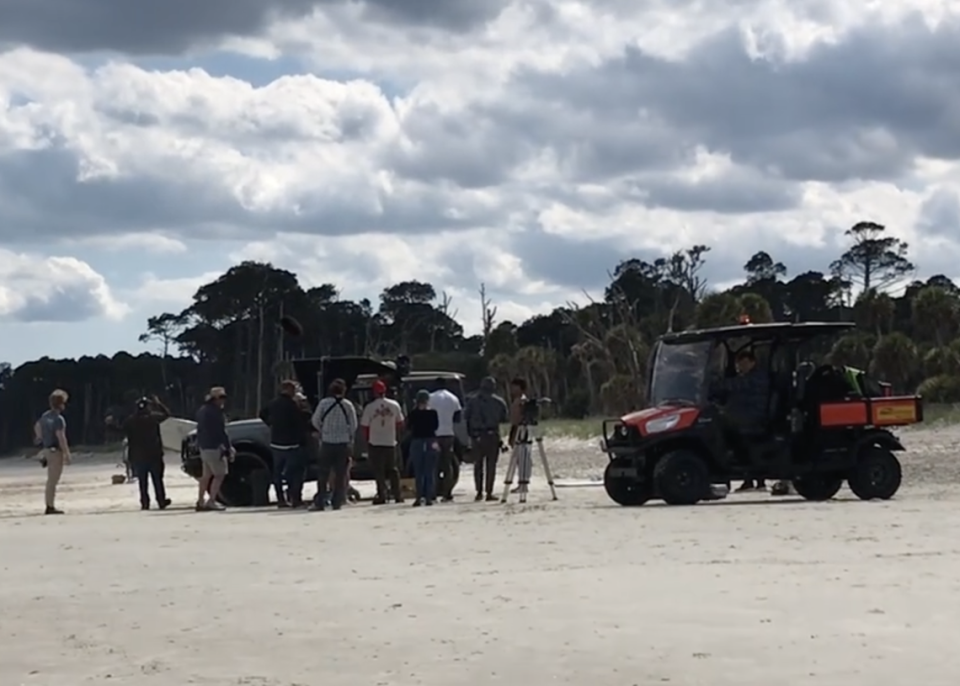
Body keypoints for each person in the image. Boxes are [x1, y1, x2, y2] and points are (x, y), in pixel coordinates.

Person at [712, 350, 769, 492]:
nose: (741, 367)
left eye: (743, 364)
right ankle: (748, 477)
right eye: (739, 365)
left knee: (727, 431)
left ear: (752, 362)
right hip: (745, 414)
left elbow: (737, 385)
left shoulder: (758, 377)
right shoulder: (745, 377)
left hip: (756, 415)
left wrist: (714, 384)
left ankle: (749, 475)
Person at [260, 380, 312, 508]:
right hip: (292, 443)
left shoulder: (273, 403)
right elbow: (304, 419)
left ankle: (281, 499)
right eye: (294, 389)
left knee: (277, 473)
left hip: (276, 442)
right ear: (289, 390)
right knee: (295, 473)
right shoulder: (293, 405)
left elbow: (262, 413)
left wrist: (270, 424)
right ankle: (295, 498)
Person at [310, 378, 357, 511]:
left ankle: (320, 501)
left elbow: (315, 420)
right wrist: (348, 436)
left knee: (323, 474)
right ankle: (337, 501)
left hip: (327, 443)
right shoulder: (348, 405)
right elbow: (353, 425)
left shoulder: (324, 403)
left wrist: (322, 430)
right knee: (341, 474)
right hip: (343, 444)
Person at [122, 395, 172, 510]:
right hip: (154, 454)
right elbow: (167, 415)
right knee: (157, 480)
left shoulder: (130, 420)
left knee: (142, 481)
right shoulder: (153, 418)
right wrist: (159, 404)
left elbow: (120, 429)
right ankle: (161, 501)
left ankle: (145, 503)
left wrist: (109, 424)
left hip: (138, 455)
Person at [463, 376, 508, 502]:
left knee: (478, 465)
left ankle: (479, 492)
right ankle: (489, 492)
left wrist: (470, 435)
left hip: (477, 435)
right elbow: (503, 420)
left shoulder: (471, 401)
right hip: (492, 435)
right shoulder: (499, 402)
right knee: (491, 466)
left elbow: (466, 417)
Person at [360, 379, 405, 505]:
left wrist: (368, 440)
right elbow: (400, 423)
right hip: (390, 441)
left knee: (378, 470)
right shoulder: (394, 405)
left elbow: (365, 426)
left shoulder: (370, 407)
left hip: (375, 442)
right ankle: (397, 495)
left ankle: (382, 495)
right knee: (393, 469)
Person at [195, 386, 234, 511]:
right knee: (220, 474)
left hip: (204, 447)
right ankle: (211, 500)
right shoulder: (215, 412)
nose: (223, 400)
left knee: (206, 476)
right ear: (214, 399)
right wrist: (228, 448)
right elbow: (221, 432)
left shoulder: (202, 410)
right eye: (221, 397)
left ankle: (200, 500)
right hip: (214, 447)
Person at [34, 389, 71, 515]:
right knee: (53, 480)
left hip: (46, 449)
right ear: (61, 404)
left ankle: (49, 504)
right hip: (55, 451)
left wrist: (40, 439)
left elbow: (37, 427)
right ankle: (50, 506)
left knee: (50, 480)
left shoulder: (45, 416)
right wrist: (67, 453)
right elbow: (61, 437)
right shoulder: (58, 419)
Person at [428, 378, 462, 502]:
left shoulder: (430, 398)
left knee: (434, 464)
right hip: (448, 434)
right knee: (447, 464)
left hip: (434, 435)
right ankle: (447, 492)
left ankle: (434, 492)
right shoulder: (453, 398)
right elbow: (457, 417)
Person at [407, 389, 440, 506]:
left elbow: (409, 427)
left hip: (417, 440)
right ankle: (429, 497)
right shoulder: (433, 413)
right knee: (430, 470)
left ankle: (418, 497)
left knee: (418, 470)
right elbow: (436, 426)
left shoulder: (413, 413)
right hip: (431, 440)